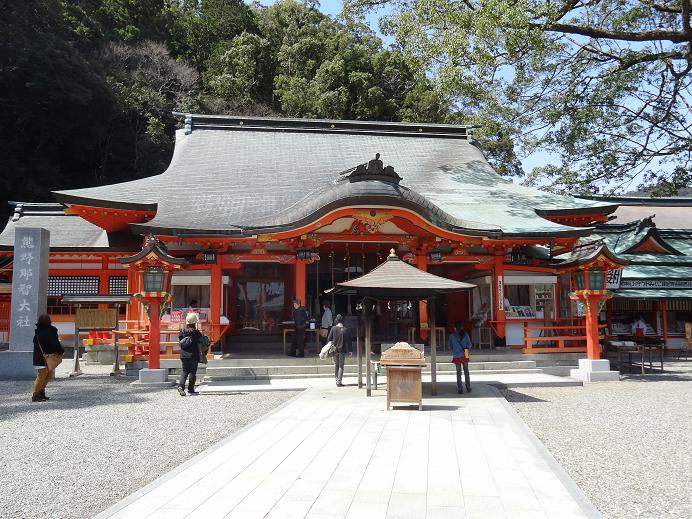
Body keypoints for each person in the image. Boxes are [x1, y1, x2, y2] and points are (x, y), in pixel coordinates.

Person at [32, 314, 65, 402]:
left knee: (45, 374)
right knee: (44, 375)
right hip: (48, 357)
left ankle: (41, 392)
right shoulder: (52, 330)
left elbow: (35, 343)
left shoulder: (37, 332)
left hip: (39, 357)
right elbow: (55, 343)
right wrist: (61, 351)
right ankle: (35, 394)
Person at [178, 313, 203, 396]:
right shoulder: (196, 332)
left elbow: (180, 341)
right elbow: (201, 341)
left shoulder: (182, 331)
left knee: (184, 371)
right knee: (192, 372)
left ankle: (181, 387)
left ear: (187, 322)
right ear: (195, 322)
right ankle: (191, 389)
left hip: (183, 355)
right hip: (193, 355)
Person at [448, 321, 472, 394]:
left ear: (455, 328)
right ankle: (468, 387)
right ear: (462, 327)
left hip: (456, 355)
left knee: (458, 372)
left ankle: (460, 388)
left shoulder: (452, 336)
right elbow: (470, 345)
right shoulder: (466, 335)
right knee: (466, 371)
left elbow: (449, 347)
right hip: (466, 353)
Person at [327, 314, 351, 387]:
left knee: (336, 365)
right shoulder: (345, 329)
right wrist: (350, 351)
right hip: (342, 350)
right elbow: (348, 341)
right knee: (341, 366)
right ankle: (339, 381)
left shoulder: (333, 328)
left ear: (336, 320)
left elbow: (329, 339)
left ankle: (336, 379)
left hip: (334, 350)